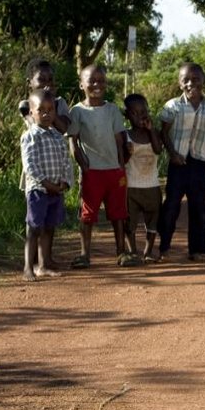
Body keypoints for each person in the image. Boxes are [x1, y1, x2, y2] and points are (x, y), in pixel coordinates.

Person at [67, 64, 133, 268]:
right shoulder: (77, 111)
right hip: (91, 172)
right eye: (92, 81)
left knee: (118, 214)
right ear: (81, 85)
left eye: (101, 80)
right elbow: (73, 141)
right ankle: (84, 254)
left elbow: (119, 140)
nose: (97, 84)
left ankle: (121, 252)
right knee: (87, 215)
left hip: (114, 171)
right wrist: (83, 166)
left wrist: (121, 167)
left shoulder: (112, 109)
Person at [157, 63, 205, 261]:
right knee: (171, 206)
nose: (190, 83)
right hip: (178, 163)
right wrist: (172, 153)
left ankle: (198, 250)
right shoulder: (173, 106)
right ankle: (164, 247)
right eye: (186, 80)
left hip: (200, 164)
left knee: (199, 207)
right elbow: (164, 132)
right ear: (179, 83)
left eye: (195, 79)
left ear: (203, 81)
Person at [20, 90, 73, 281]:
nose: (46, 114)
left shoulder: (58, 137)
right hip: (38, 190)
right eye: (40, 110)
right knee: (34, 228)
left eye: (50, 110)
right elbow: (30, 165)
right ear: (31, 113)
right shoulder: (30, 137)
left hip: (56, 190)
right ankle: (28, 267)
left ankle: (43, 265)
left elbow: (66, 161)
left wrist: (65, 182)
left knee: (50, 227)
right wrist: (46, 183)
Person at [123, 93, 163, 264]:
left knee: (153, 220)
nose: (140, 116)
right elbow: (122, 160)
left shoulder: (153, 133)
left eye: (143, 111)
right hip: (131, 187)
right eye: (135, 113)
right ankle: (133, 251)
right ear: (127, 116)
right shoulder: (125, 136)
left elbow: (158, 150)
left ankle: (148, 251)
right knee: (129, 222)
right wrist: (127, 151)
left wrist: (151, 130)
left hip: (152, 186)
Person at [18, 58, 70, 134]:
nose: (47, 83)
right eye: (41, 79)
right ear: (29, 82)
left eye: (50, 79)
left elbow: (64, 128)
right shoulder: (25, 105)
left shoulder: (60, 103)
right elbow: (36, 126)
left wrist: (51, 101)